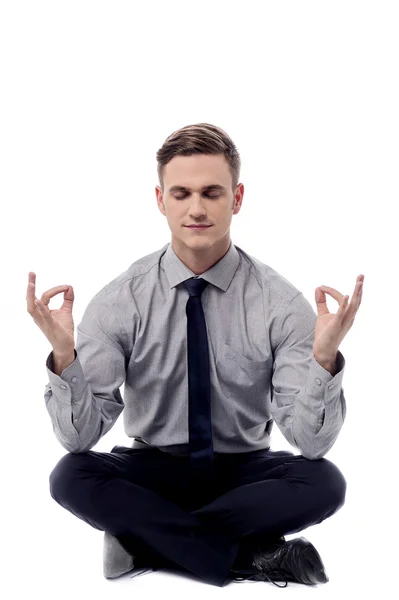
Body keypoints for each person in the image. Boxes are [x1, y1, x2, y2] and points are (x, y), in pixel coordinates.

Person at [27, 123, 364, 588]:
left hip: (244, 471)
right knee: (69, 475)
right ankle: (250, 557)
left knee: (326, 483)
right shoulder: (120, 300)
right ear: (161, 200)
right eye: (181, 193)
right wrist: (64, 355)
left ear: (237, 198)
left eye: (212, 192)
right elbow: (79, 438)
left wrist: (324, 360)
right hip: (154, 468)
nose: (197, 208)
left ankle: (145, 540)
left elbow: (311, 443)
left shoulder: (280, 304)